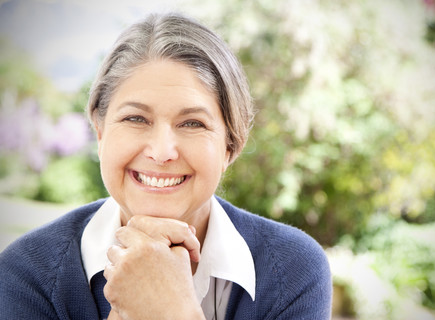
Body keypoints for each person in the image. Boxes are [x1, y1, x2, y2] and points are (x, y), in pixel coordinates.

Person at [0, 12, 332, 320]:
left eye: (192, 123)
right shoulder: (27, 274)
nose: (162, 152)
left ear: (231, 144)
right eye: (135, 118)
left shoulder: (294, 270)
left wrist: (174, 311)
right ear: (99, 133)